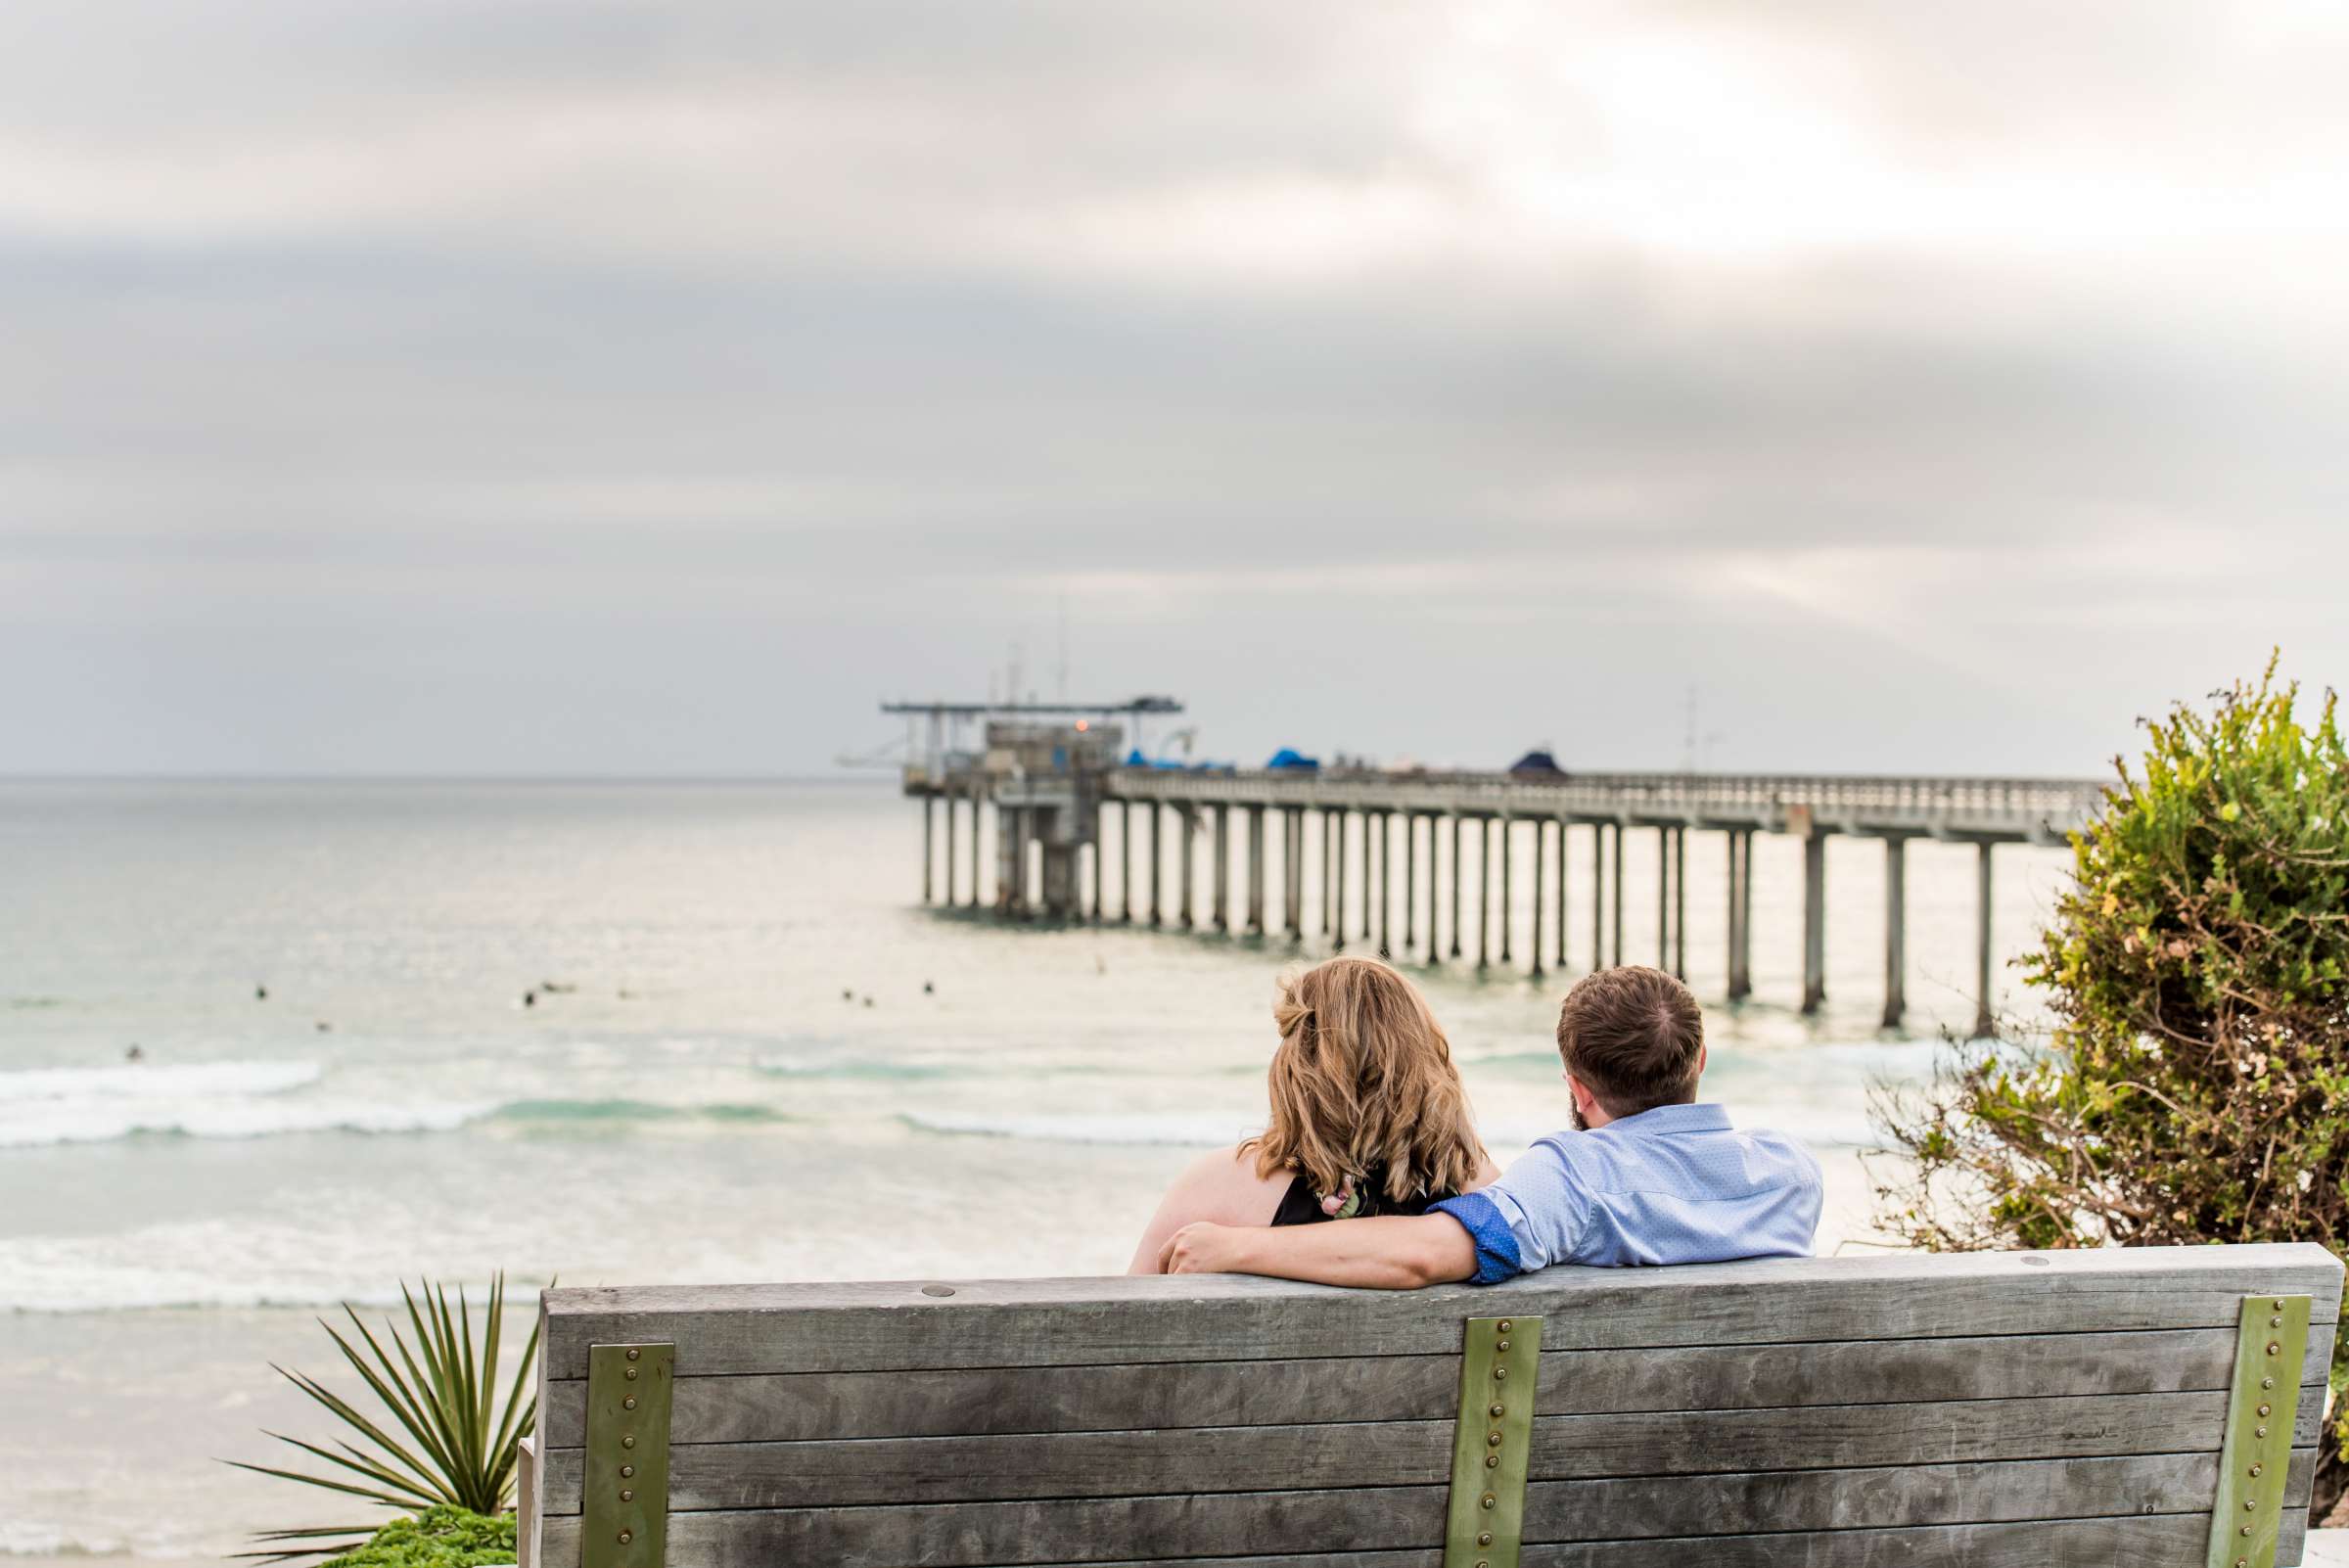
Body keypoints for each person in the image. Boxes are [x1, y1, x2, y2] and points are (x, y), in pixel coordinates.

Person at [1157, 964, 1821, 1285]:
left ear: (1576, 1088)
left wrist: (1232, 1248)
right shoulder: (1791, 1172)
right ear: (1701, 1058)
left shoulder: (1568, 1185)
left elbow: (1424, 1253)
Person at [1129, 956, 1498, 1272]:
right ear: (1425, 1061)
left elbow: (1124, 1328)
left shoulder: (1219, 1188)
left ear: (1296, 1065)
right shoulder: (1477, 1184)